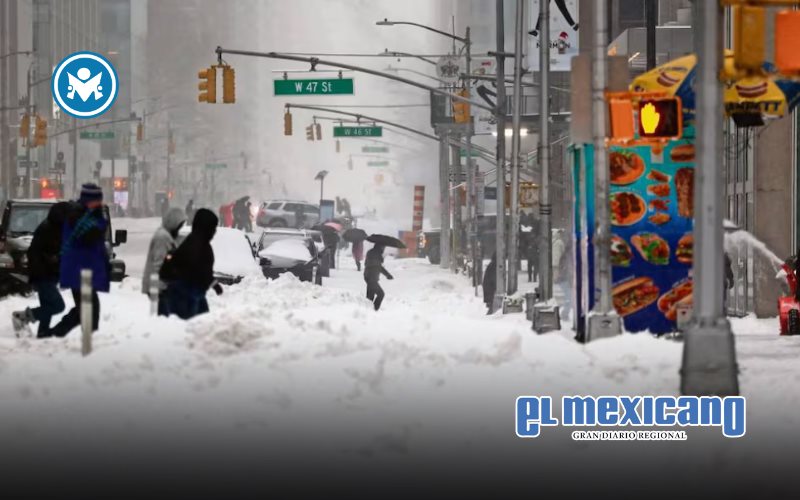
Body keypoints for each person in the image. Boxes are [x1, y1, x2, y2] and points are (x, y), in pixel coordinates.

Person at [49, 184, 110, 338]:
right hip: (79, 269)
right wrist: (99, 220)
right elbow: (89, 236)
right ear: (89, 199)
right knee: (89, 310)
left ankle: (56, 335)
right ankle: (88, 342)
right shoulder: (77, 215)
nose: (99, 202)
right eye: (97, 199)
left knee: (84, 310)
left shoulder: (87, 214)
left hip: (84, 269)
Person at [11, 202, 70, 338]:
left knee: (48, 306)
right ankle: (22, 317)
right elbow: (37, 253)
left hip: (49, 274)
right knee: (58, 306)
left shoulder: (55, 228)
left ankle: (43, 334)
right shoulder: (49, 230)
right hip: (43, 275)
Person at [165, 208, 223, 319]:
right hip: (187, 294)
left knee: (202, 324)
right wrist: (214, 284)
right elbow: (199, 269)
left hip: (193, 293)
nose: (214, 232)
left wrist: (213, 284)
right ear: (205, 228)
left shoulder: (195, 241)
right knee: (193, 326)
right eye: (213, 228)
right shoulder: (197, 244)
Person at [142, 207, 187, 316]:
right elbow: (158, 264)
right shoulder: (162, 238)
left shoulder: (166, 235)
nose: (179, 228)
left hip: (162, 286)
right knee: (163, 318)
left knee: (165, 317)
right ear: (173, 223)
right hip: (160, 287)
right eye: (179, 225)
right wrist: (161, 286)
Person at [364, 244, 393, 311]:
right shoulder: (377, 255)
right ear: (380, 246)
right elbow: (379, 267)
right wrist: (388, 275)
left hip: (367, 276)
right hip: (372, 278)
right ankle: (374, 310)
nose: (384, 249)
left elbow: (367, 264)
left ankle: (368, 311)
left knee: (370, 296)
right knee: (381, 294)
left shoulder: (371, 252)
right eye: (384, 247)